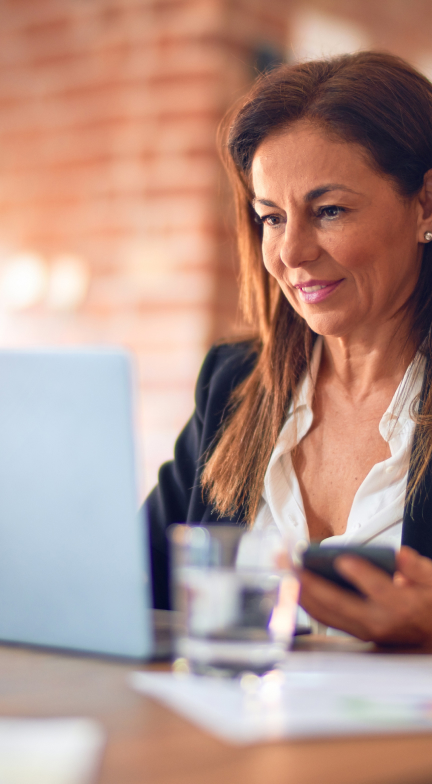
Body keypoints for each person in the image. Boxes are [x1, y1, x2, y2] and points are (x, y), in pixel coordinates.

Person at [145, 51, 432, 648]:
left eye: (329, 211)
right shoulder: (233, 383)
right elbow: (133, 585)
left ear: (425, 204)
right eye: (271, 218)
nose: (292, 253)